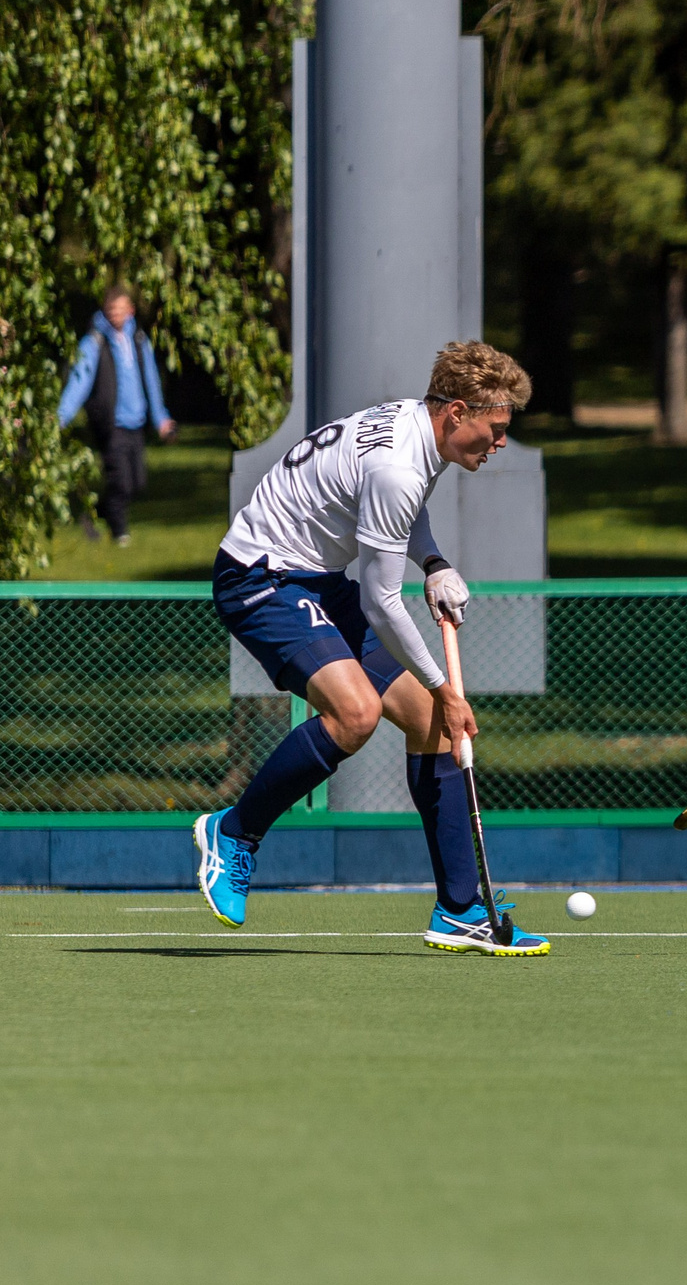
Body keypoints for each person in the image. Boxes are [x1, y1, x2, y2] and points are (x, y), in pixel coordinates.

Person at [192, 341, 549, 956]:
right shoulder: (398, 465)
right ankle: (234, 833)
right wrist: (446, 686)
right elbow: (384, 604)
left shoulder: (419, 426)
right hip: (261, 578)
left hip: (317, 577)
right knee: (355, 714)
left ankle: (459, 909)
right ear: (457, 411)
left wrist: (433, 562)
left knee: (432, 724)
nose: (499, 444)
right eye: (494, 431)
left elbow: (401, 516)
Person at [56, 286, 175, 545]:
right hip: (110, 424)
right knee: (119, 481)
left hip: (137, 422)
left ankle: (93, 511)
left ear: (130, 311)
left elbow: (151, 381)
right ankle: (120, 534)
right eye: (112, 310)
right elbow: (79, 382)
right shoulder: (94, 342)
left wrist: (161, 419)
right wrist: (61, 417)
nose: (117, 315)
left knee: (137, 484)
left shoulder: (140, 340)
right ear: (105, 312)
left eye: (122, 310)